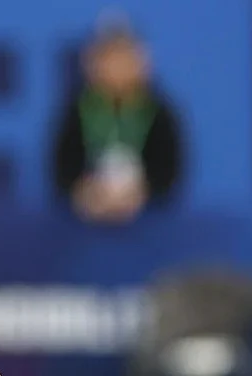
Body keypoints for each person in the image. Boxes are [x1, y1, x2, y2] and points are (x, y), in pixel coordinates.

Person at [51, 15, 184, 225]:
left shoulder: (159, 113)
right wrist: (85, 194)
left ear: (141, 62)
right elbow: (61, 172)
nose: (116, 67)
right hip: (82, 227)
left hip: (150, 226)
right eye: (109, 58)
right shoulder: (75, 112)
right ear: (92, 63)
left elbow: (170, 174)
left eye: (124, 57)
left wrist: (141, 195)